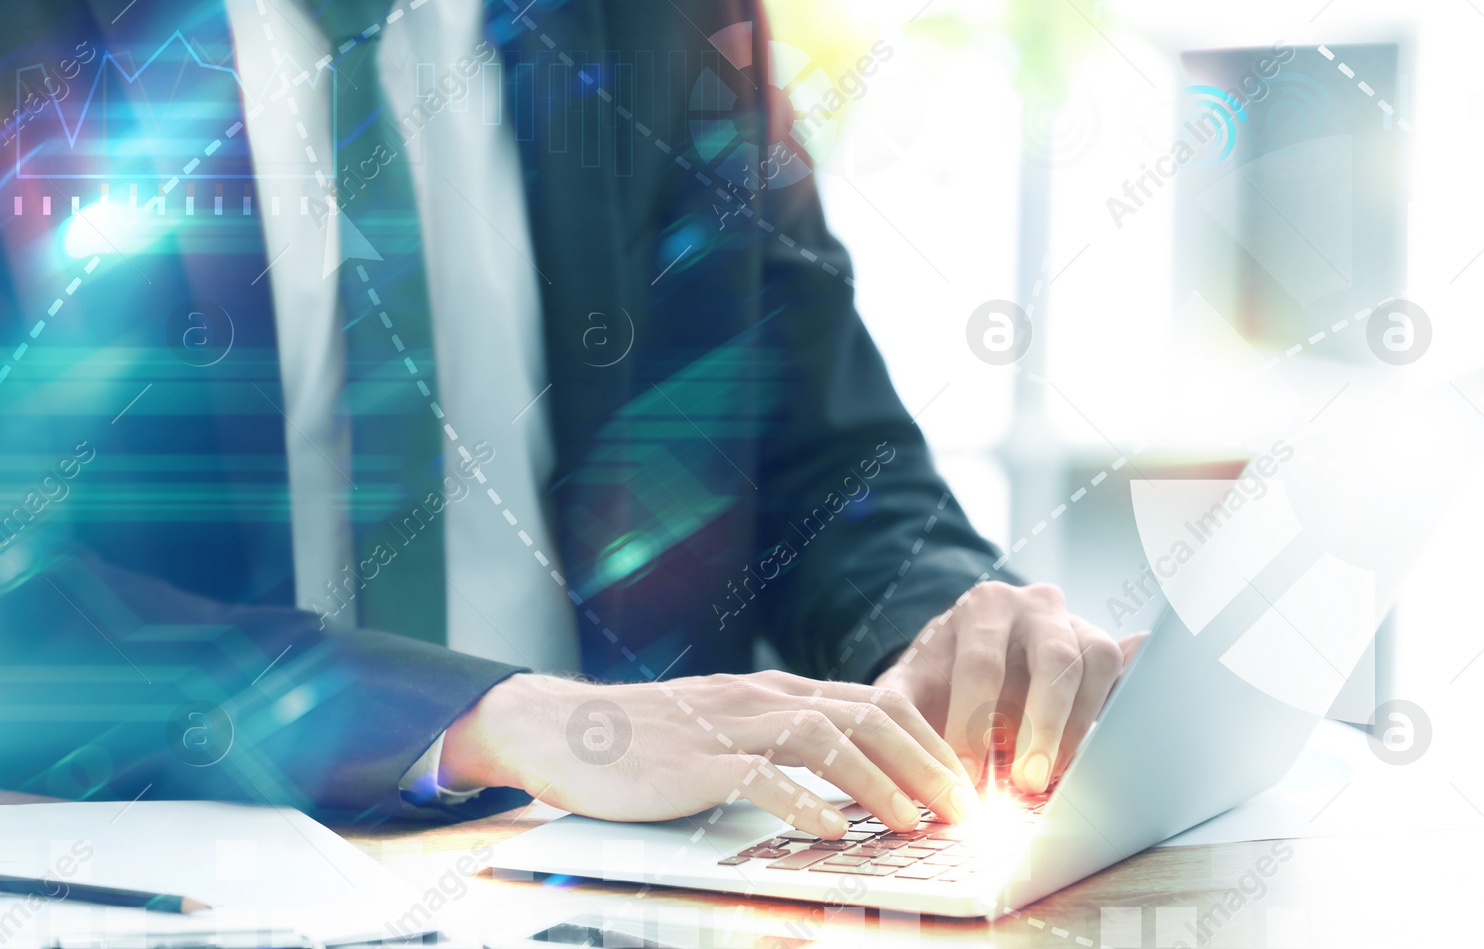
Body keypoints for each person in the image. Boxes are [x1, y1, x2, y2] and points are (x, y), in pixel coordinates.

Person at [0, 0, 1135, 835]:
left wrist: (943, 629)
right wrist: (481, 716)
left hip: (629, 899)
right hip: (185, 894)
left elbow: (814, 454)